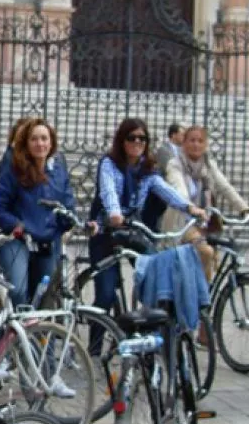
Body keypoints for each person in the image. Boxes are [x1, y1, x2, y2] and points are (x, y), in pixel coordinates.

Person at [87, 118, 205, 355]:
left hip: (132, 230)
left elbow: (165, 190)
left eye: (142, 138)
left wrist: (189, 207)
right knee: (106, 293)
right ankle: (94, 348)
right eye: (132, 138)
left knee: (155, 273)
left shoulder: (147, 168)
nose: (137, 142)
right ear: (122, 140)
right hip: (106, 231)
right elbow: (108, 190)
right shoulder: (109, 164)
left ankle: (148, 336)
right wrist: (114, 213)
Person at [0, 118, 77, 307]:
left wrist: (73, 223)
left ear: (51, 142)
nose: (40, 144)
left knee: (45, 299)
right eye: (34, 139)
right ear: (26, 143)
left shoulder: (59, 171)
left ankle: (38, 336)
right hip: (18, 240)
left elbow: (68, 207)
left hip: (47, 243)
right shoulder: (14, 169)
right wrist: (16, 225)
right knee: (17, 291)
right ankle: (11, 334)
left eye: (44, 138)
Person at [163, 125, 249, 282]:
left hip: (205, 223)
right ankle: (201, 298)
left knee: (212, 258)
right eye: (192, 140)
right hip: (183, 222)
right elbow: (179, 189)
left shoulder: (209, 165)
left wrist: (244, 208)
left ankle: (204, 292)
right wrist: (190, 207)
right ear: (183, 144)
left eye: (200, 141)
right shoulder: (175, 164)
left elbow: (225, 187)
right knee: (206, 252)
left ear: (206, 145)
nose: (196, 144)